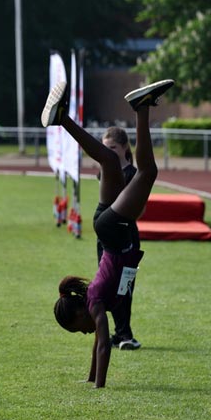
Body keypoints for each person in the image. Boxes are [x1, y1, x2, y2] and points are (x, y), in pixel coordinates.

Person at [45, 79, 173, 388]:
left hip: (112, 231)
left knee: (147, 173)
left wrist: (99, 386)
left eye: (79, 328)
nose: (87, 333)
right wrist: (89, 379)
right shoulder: (92, 302)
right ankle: (61, 118)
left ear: (80, 313)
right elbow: (97, 344)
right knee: (108, 161)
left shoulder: (96, 305)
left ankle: (141, 109)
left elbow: (103, 345)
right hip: (107, 226)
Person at [95, 126, 142, 350]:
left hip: (126, 237)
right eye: (105, 148)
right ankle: (118, 333)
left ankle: (125, 334)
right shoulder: (103, 170)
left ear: (124, 147)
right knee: (107, 284)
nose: (109, 152)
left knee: (125, 286)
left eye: (113, 148)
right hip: (105, 238)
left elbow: (136, 211)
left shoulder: (133, 174)